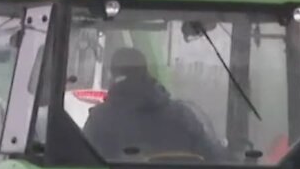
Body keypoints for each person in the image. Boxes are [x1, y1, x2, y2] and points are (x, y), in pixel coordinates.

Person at [82, 46, 227, 162]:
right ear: (146, 72)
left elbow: (83, 162)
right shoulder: (182, 115)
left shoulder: (100, 119)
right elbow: (213, 157)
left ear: (112, 75)